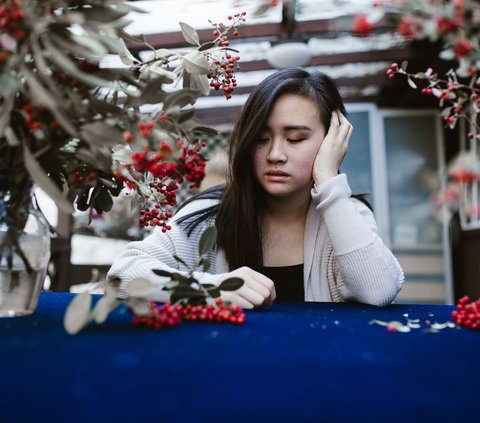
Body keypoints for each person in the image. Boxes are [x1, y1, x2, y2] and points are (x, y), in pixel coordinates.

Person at [108, 68, 404, 308]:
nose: (275, 154)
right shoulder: (210, 215)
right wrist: (210, 290)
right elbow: (122, 274)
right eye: (261, 139)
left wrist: (328, 179)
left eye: (295, 139)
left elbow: (378, 290)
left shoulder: (345, 217)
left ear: (330, 142)